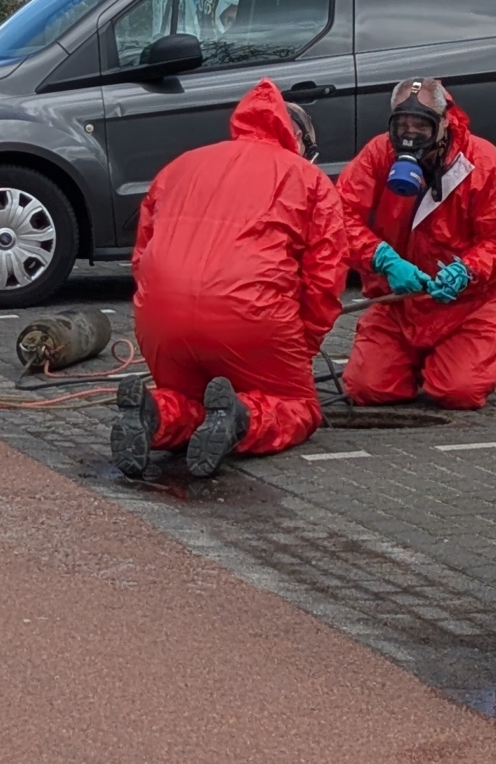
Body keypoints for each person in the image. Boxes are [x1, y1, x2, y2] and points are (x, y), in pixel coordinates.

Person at [113, 78, 348, 477]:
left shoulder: (180, 165)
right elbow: (325, 277)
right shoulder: (308, 180)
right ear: (300, 140)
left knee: (187, 395)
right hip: (252, 323)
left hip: (163, 321)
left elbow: (142, 254)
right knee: (297, 405)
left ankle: (156, 414)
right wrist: (302, 342)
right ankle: (242, 420)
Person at [336, 76, 496, 410]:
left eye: (419, 126)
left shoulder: (483, 163)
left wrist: (467, 270)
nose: (409, 136)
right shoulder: (378, 154)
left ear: (443, 123)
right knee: (367, 388)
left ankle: (446, 361)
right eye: (401, 126)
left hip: (468, 307)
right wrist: (381, 258)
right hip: (398, 304)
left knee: (458, 392)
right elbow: (338, 218)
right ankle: (410, 363)